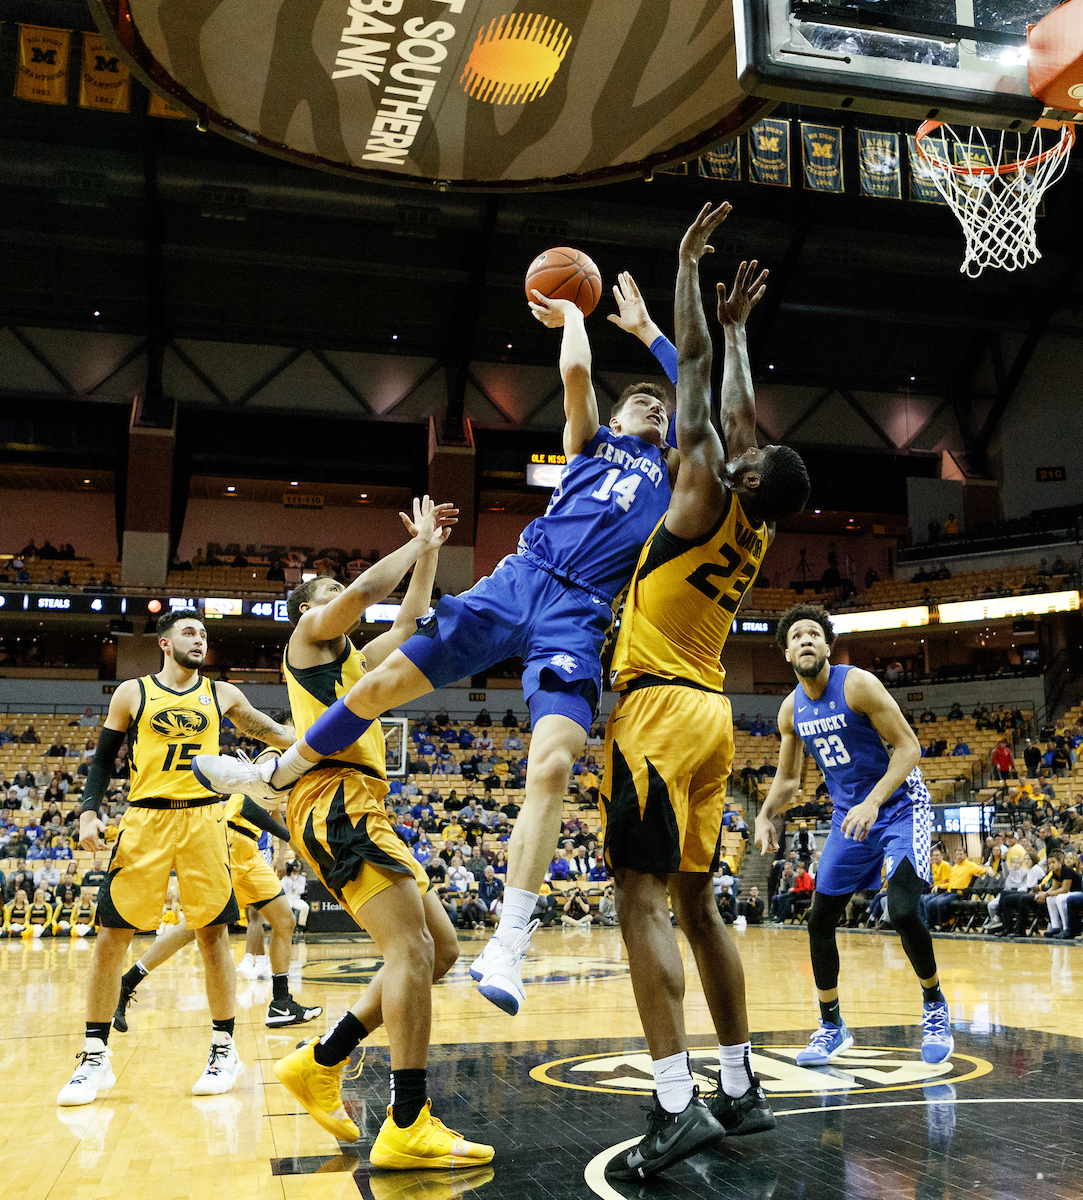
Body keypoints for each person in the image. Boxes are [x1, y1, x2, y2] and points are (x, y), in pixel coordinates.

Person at [195, 251, 692, 1025]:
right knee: (375, 685)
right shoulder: (593, 443)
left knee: (554, 766)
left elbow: (705, 402)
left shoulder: (673, 474)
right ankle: (281, 767)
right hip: (518, 580)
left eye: (656, 408)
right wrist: (574, 320)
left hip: (580, 614)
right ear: (616, 419)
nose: (649, 408)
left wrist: (652, 334)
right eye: (639, 404)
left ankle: (510, 942)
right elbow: (574, 381)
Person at [602, 206, 810, 1183]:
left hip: (654, 712)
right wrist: (737, 335)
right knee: (700, 906)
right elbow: (732, 407)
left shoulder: (698, 489)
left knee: (639, 904)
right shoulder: (755, 517)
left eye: (745, 450)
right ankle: (741, 1086)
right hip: (715, 717)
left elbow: (691, 378)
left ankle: (679, 1105)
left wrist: (686, 274)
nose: (735, 441)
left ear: (746, 475)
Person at [198, 498, 492, 1169]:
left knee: (440, 950)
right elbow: (364, 591)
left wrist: (431, 551)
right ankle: (408, 1121)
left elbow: (413, 619)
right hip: (332, 799)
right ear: (309, 607)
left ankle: (320, 1061)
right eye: (327, 593)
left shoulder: (353, 663)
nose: (343, 598)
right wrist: (413, 543)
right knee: (411, 949)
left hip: (362, 801)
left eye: (335, 592)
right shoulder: (306, 639)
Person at [56, 608, 295, 1108]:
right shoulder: (133, 692)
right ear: (165, 644)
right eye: (189, 632)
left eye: (204, 634)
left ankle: (224, 1049)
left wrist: (328, 741)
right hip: (144, 819)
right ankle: (94, 1056)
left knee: (211, 936)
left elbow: (276, 733)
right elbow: (104, 759)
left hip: (206, 821)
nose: (199, 639)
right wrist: (87, 812)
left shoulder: (223, 693)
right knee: (111, 938)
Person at [755, 603, 953, 1070]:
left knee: (902, 910)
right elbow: (789, 780)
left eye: (813, 634)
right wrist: (765, 814)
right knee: (819, 919)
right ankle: (831, 1026)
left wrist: (874, 802)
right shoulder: (791, 709)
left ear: (827, 646)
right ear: (787, 653)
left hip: (902, 807)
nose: (805, 640)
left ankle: (935, 1005)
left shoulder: (858, 683)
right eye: (796, 636)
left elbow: (909, 747)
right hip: (852, 818)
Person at [112, 789, 322, 1032]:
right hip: (231, 843)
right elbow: (246, 806)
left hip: (251, 854)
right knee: (197, 926)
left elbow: (275, 813)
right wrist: (286, 836)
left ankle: (281, 1003)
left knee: (285, 920)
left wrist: (283, 851)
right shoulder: (270, 759)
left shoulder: (283, 776)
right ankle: (127, 983)